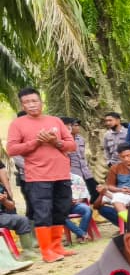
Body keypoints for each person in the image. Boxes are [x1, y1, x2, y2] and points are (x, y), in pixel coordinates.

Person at [6, 87, 77, 263]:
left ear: (41, 102)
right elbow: (12, 149)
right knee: (43, 213)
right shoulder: (18, 124)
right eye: (26, 102)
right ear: (22, 105)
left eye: (34, 101)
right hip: (38, 176)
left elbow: (71, 145)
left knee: (61, 210)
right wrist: (36, 142)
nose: (31, 105)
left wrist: (55, 141)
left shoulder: (55, 121)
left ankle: (57, 246)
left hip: (61, 174)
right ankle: (47, 251)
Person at [0, 166, 36, 261]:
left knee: (22, 220)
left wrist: (4, 201)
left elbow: (11, 206)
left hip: (1, 216)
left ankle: (28, 252)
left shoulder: (1, 187)